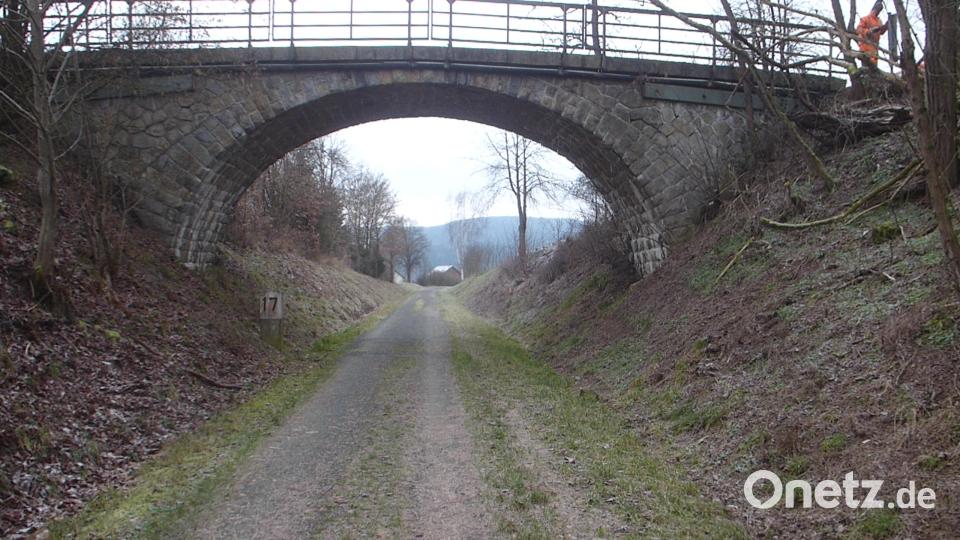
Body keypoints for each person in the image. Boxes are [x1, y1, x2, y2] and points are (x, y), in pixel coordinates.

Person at [856, 0, 888, 67]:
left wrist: (885, 27)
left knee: (874, 69)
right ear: (874, 9)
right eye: (877, 10)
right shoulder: (865, 19)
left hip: (874, 47)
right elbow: (859, 29)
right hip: (865, 47)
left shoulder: (879, 21)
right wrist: (868, 31)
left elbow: (881, 32)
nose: (878, 12)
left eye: (879, 11)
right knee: (866, 67)